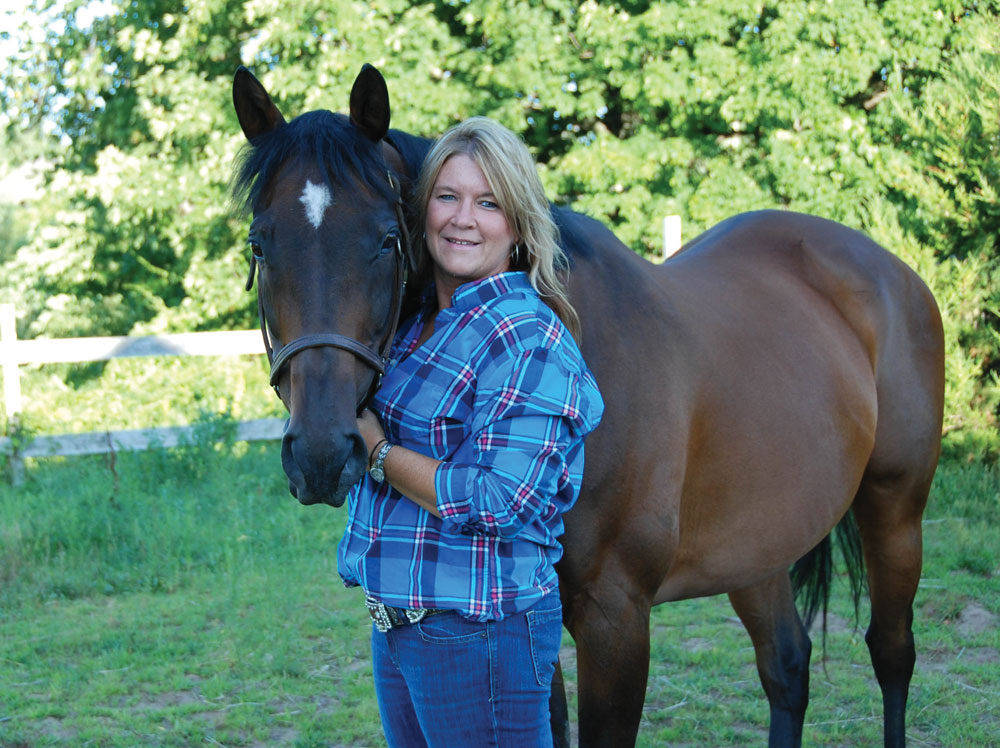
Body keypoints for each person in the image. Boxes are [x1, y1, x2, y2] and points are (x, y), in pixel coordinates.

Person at [338, 116, 604, 747]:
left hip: (479, 630)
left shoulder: (524, 335)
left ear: (517, 224)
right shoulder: (416, 326)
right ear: (422, 207)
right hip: (400, 624)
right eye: (447, 196)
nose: (463, 218)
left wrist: (379, 453)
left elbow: (498, 498)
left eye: (488, 203)